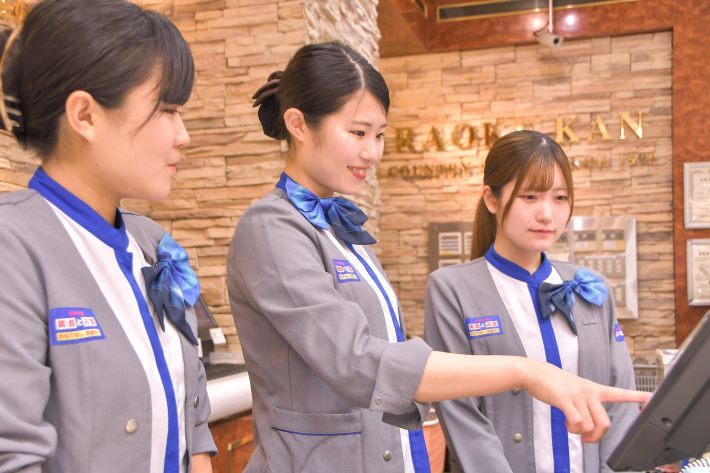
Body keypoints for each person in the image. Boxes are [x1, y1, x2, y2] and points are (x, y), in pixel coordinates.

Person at [227, 42, 649, 473]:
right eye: (358, 132)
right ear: (298, 124)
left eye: (380, 135)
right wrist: (526, 371)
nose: (372, 152)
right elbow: (356, 360)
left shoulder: (342, 232)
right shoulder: (271, 228)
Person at [0, 1, 215, 472]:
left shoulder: (150, 241)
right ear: (85, 115)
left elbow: (192, 410)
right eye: (167, 110)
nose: (183, 135)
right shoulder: (11, 248)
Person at [424, 130, 638, 473]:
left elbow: (619, 398)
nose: (547, 214)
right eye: (530, 197)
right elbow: (459, 411)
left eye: (560, 197)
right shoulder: (451, 289)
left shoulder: (591, 287)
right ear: (491, 199)